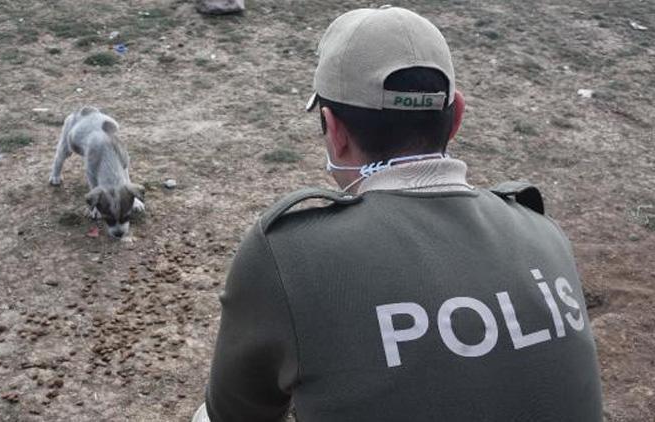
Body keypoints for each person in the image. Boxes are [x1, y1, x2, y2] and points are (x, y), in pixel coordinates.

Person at [193, 6, 603, 422]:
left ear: (334, 130)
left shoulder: (289, 256)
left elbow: (235, 415)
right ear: (456, 116)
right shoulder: (544, 233)